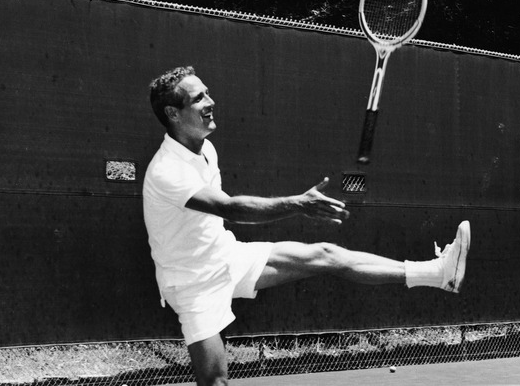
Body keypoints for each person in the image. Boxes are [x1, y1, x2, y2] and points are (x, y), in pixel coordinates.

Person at [142, 66, 471, 386]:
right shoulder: (167, 171)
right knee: (214, 381)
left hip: (225, 255)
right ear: (173, 113)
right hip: (192, 282)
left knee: (327, 254)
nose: (210, 102)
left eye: (208, 93)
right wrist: (298, 203)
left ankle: (439, 273)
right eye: (199, 98)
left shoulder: (206, 150)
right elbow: (230, 208)